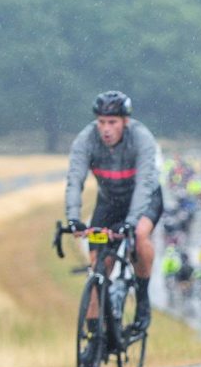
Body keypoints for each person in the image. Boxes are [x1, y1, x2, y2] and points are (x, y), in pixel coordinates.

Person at [65, 90, 164, 353]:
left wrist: (131, 222)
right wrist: (74, 218)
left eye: (112, 123)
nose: (106, 129)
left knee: (140, 236)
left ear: (125, 122)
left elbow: (144, 184)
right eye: (101, 122)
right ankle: (94, 339)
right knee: (97, 267)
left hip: (144, 199)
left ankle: (142, 300)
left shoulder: (141, 139)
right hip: (109, 202)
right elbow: (75, 179)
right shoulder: (86, 140)